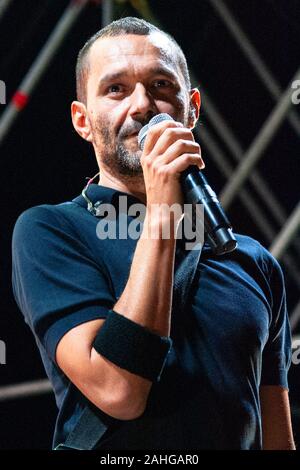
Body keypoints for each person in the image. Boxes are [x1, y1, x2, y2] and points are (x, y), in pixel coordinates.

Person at [12, 17, 295, 450]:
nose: (142, 105)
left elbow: (274, 433)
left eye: (161, 85)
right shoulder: (51, 231)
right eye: (116, 89)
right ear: (82, 121)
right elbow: (118, 390)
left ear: (192, 108)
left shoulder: (253, 261)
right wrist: (164, 211)